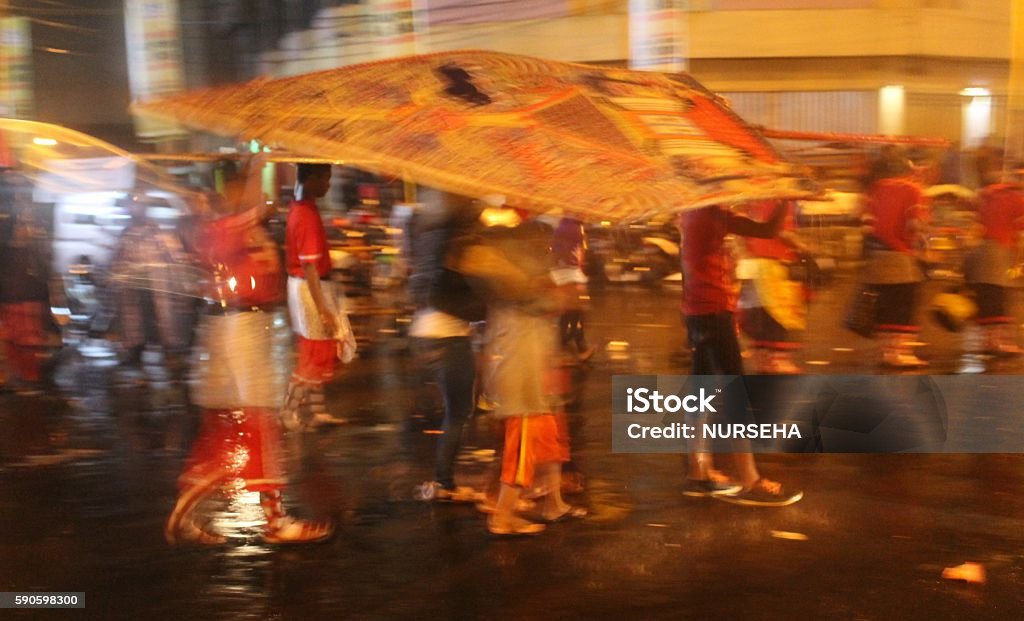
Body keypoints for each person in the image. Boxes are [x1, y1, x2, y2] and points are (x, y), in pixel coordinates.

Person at [166, 158, 334, 545]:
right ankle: (273, 521)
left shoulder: (244, 225)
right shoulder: (221, 229)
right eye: (243, 185)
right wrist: (258, 165)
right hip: (239, 331)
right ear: (226, 190)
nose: (253, 192)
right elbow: (236, 231)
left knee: (240, 428)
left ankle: (201, 510)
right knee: (257, 425)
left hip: (249, 329)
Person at [454, 207, 586, 535]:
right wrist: (561, 292)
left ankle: (553, 503)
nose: (546, 252)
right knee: (525, 440)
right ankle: (503, 516)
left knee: (550, 434)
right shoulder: (517, 281)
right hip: (522, 369)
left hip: (536, 365)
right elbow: (547, 300)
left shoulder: (520, 279)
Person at [679, 202, 803, 506]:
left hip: (698, 310)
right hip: (713, 311)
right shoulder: (712, 213)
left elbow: (763, 231)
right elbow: (766, 230)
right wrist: (785, 197)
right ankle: (750, 480)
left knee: (702, 393)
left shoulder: (694, 211)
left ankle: (699, 471)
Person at [407, 190, 488, 502]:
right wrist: (481, 309)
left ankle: (443, 478)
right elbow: (444, 294)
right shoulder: (455, 245)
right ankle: (443, 482)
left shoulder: (430, 238)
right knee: (458, 412)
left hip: (425, 333)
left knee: (453, 411)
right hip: (448, 337)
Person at [279, 163, 355, 431]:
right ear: (310, 178)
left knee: (314, 350)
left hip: (304, 286)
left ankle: (317, 412)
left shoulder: (300, 206)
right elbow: (310, 266)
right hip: (311, 289)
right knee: (315, 354)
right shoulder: (306, 214)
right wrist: (323, 309)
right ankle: (289, 411)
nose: (328, 185)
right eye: (325, 179)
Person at [110, 192, 193, 382]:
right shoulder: (126, 234)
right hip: (134, 293)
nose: (134, 210)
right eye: (132, 206)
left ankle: (171, 361)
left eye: (137, 206)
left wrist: (182, 287)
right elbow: (116, 263)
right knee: (137, 329)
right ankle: (137, 360)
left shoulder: (160, 235)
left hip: (155, 292)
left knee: (161, 328)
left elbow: (176, 261)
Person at [861, 153, 930, 368]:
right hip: (900, 256)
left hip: (876, 255)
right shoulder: (912, 190)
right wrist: (924, 247)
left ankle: (885, 352)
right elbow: (914, 224)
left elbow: (866, 223)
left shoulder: (875, 189)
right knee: (903, 305)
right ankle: (897, 353)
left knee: (884, 305)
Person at [962, 152, 1024, 360]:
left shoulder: (988, 192)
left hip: (979, 250)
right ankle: (997, 343)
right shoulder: (1014, 196)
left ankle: (988, 341)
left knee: (988, 296)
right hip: (997, 252)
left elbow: (971, 207)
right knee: (997, 297)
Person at [736, 200, 806, 374]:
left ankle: (762, 359)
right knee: (780, 316)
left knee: (758, 315)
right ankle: (777, 360)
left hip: (752, 264)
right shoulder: (781, 199)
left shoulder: (750, 197)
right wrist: (802, 246)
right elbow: (783, 232)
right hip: (774, 264)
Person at [551, 217, 596, 362]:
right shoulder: (571, 228)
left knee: (572, 311)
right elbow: (568, 252)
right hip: (568, 273)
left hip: (568, 273)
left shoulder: (571, 226)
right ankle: (566, 348)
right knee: (573, 310)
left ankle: (574, 346)